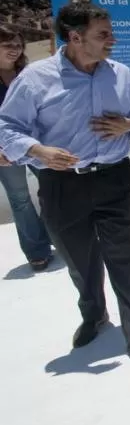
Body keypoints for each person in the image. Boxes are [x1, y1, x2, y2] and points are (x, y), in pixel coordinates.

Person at [0, 2, 130, 355]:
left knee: (126, 255)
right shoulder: (35, 79)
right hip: (62, 183)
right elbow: (7, 127)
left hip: (116, 178)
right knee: (80, 259)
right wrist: (38, 151)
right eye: (104, 34)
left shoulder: (122, 74)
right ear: (75, 36)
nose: (113, 39)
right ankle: (94, 314)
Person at [0, 25, 54, 271]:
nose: (14, 50)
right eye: (8, 45)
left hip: (36, 144)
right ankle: (37, 250)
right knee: (20, 199)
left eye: (18, 45)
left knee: (53, 190)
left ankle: (55, 236)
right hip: (4, 148)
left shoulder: (28, 73)